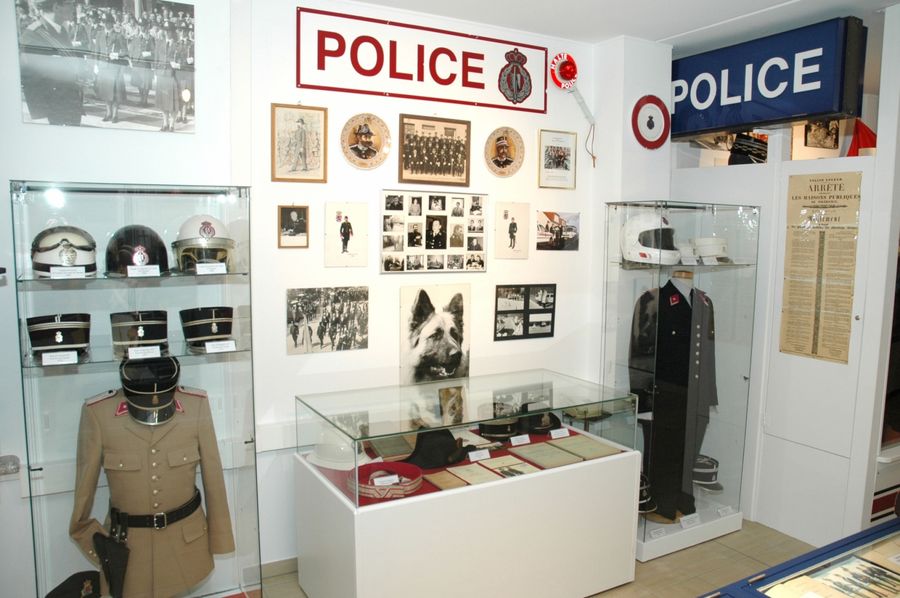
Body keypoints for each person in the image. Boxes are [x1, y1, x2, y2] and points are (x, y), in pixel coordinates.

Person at [19, 0, 84, 126]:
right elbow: (31, 79)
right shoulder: (33, 34)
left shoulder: (61, 31)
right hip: (51, 112)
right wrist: (41, 116)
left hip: (70, 107)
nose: (74, 8)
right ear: (56, 7)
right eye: (70, 4)